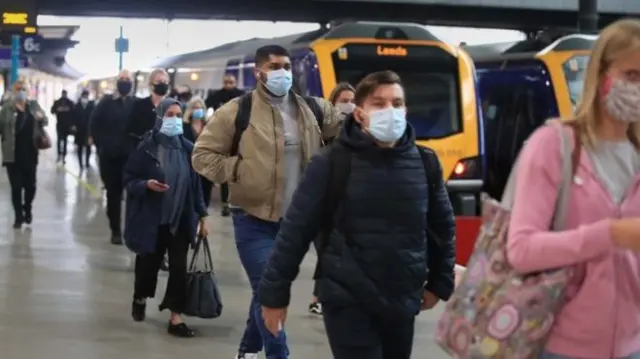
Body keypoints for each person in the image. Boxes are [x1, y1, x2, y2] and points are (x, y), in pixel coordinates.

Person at [257, 71, 455, 359]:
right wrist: (275, 295)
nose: (391, 111)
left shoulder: (424, 162)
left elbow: (442, 226)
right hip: (347, 297)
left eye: (397, 103)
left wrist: (440, 282)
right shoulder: (331, 163)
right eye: (379, 103)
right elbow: (296, 232)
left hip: (402, 296)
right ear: (360, 113)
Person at [192, 44, 344, 359]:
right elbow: (202, 155)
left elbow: (349, 135)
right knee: (268, 290)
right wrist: (238, 170)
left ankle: (247, 349)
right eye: (275, 66)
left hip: (295, 225)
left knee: (266, 290)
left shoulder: (311, 110)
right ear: (258, 72)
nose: (283, 72)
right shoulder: (237, 111)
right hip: (252, 219)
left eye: (287, 66)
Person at [506, 19, 640, 359]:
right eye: (632, 76)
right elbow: (521, 250)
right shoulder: (555, 145)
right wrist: (609, 233)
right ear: (602, 75)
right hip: (560, 345)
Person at [123, 97, 208, 338]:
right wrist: (145, 184)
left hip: (180, 219)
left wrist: (203, 216)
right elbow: (128, 180)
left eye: (177, 115)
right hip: (153, 220)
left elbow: (195, 187)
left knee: (179, 269)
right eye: (169, 115)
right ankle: (140, 296)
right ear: (160, 118)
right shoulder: (147, 147)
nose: (174, 119)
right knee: (148, 267)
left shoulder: (187, 149)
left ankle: (175, 317)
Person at [307, 81, 357, 316]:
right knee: (326, 249)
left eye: (352, 100)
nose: (349, 105)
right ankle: (319, 296)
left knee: (338, 250)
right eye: (343, 101)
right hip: (323, 203)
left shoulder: (360, 134)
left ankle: (326, 295)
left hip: (349, 204)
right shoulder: (321, 132)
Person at [89, 69, 136, 245]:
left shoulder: (135, 103)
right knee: (114, 195)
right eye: (122, 79)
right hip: (110, 158)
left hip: (131, 158)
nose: (124, 82)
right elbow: (94, 123)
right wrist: (102, 145)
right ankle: (115, 229)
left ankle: (131, 230)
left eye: (127, 79)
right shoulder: (106, 103)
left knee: (133, 195)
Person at [0, 80, 49, 229]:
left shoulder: (33, 106)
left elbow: (45, 120)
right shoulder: (6, 109)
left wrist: (41, 118)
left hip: (30, 153)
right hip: (12, 155)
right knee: (16, 187)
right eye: (18, 89)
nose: (21, 91)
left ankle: (27, 207)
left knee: (30, 187)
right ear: (14, 92)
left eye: (23, 89)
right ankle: (18, 217)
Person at [204, 74, 245, 216]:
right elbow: (205, 105)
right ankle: (225, 203)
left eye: (231, 82)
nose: (228, 85)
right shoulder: (217, 95)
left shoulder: (242, 96)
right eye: (226, 82)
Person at [183, 97, 214, 207]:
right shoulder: (184, 126)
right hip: (189, 165)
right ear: (190, 110)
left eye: (201, 108)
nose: (198, 110)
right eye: (195, 107)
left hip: (206, 166)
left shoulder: (209, 126)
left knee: (205, 196)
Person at [127, 68, 170, 144]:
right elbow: (132, 130)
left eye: (165, 81)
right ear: (151, 84)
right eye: (159, 81)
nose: (163, 84)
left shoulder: (173, 106)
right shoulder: (140, 105)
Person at [72, 89, 95, 171]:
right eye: (84, 96)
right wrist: (73, 125)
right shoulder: (77, 106)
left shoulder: (91, 105)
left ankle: (87, 162)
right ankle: (80, 163)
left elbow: (94, 118)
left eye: (86, 96)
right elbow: (73, 116)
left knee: (88, 147)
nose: (85, 97)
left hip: (88, 130)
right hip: (79, 130)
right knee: (80, 147)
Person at [51, 89, 75, 164]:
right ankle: (59, 155)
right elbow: (52, 110)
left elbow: (74, 112)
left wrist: (68, 110)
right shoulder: (57, 102)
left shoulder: (70, 103)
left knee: (64, 140)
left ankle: (63, 156)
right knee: (59, 140)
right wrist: (58, 109)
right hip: (60, 123)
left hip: (66, 124)